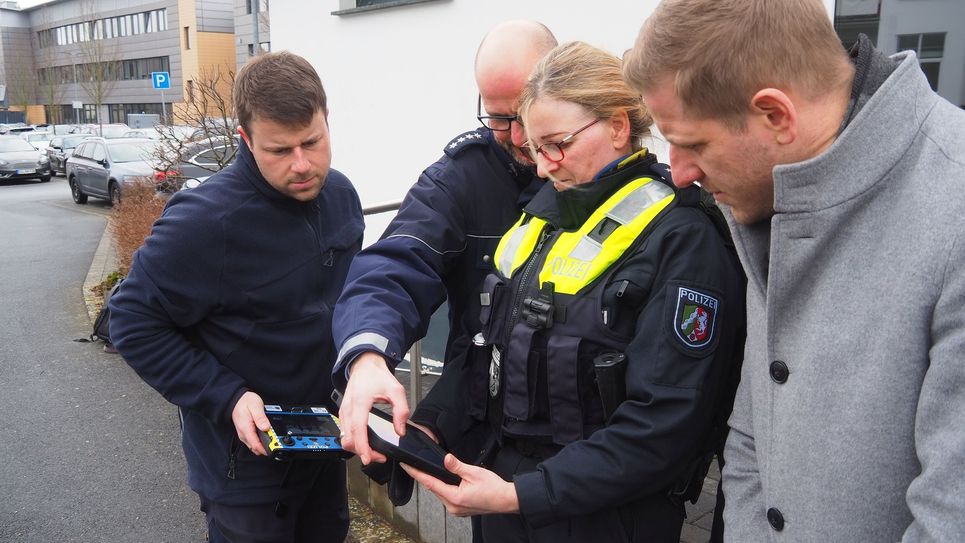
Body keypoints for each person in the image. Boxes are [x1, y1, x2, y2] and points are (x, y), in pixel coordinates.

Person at [623, 0, 965, 540]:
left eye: (693, 144)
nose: (680, 173)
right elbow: (751, 438)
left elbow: (950, 516)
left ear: (776, 116)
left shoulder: (953, 208)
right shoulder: (776, 187)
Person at [404, 41, 745, 542]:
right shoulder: (543, 216)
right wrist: (430, 426)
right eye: (535, 149)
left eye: (556, 144)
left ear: (618, 126)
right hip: (504, 495)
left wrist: (523, 495)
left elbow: (665, 423)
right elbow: (485, 353)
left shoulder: (683, 238)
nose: (544, 167)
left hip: (608, 517)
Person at [109, 51, 363, 543]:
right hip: (243, 471)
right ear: (246, 139)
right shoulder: (203, 222)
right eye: (279, 150)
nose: (302, 165)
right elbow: (132, 321)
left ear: (327, 120)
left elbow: (344, 301)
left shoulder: (341, 196)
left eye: (312, 142)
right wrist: (226, 396)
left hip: (322, 446)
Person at [332, 20, 555, 467]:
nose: (516, 137)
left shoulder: (601, 171)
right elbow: (395, 265)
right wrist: (368, 356)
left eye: (525, 113)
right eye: (498, 118)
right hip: (488, 442)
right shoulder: (460, 179)